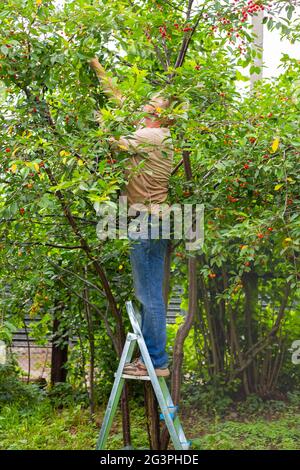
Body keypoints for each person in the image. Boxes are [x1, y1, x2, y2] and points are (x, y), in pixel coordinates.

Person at [89, 58, 175, 377]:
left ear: (158, 114)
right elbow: (122, 105)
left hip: (148, 221)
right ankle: (154, 358)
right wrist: (99, 69)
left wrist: (100, 119)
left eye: (151, 104)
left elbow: (113, 140)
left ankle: (155, 361)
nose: (144, 105)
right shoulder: (156, 135)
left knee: (148, 294)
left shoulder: (154, 137)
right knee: (150, 291)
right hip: (155, 220)